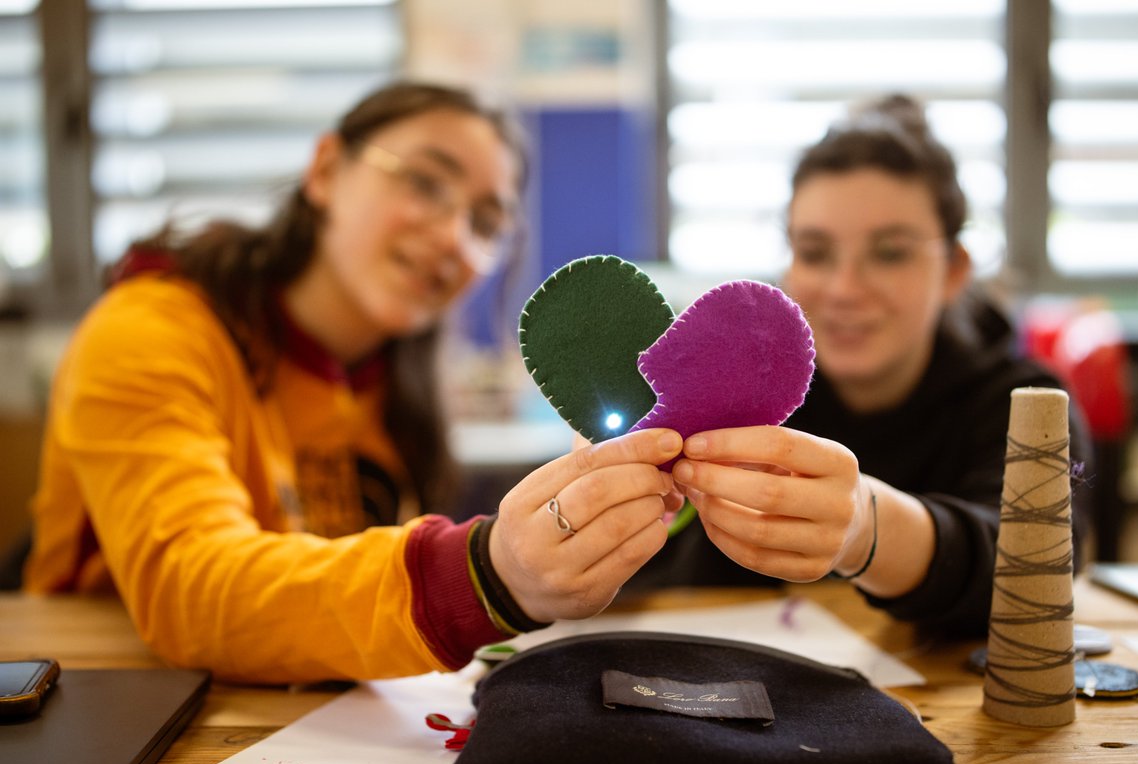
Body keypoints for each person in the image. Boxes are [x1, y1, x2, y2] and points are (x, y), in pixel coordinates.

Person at [23, 82, 683, 684]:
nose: (453, 237)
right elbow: (189, 586)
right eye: (425, 182)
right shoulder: (149, 332)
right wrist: (488, 574)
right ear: (326, 170)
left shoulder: (395, 386)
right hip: (108, 697)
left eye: (485, 224)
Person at [632, 94, 1092, 636]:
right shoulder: (734, 399)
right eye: (815, 253)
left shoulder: (1026, 408)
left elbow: (1033, 568)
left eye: (890, 253)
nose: (845, 289)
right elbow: (660, 575)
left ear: (954, 271)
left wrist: (867, 531)